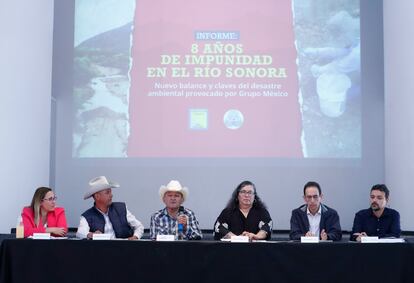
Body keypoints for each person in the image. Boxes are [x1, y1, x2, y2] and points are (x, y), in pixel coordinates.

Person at [76, 176, 144, 240]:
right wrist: (91, 234)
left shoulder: (121, 208)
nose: (111, 195)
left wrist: (135, 237)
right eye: (107, 192)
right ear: (97, 196)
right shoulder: (87, 216)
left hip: (124, 249)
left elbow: (139, 226)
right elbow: (80, 233)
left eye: (111, 192)